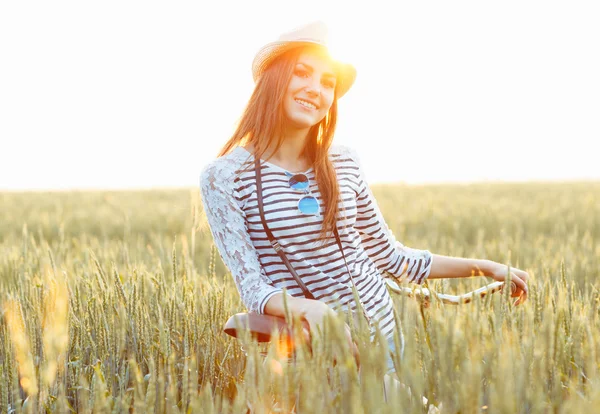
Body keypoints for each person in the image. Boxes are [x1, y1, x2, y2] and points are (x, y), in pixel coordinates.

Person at [199, 20, 529, 380]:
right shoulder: (225, 176)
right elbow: (253, 287)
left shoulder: (344, 161)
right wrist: (312, 310)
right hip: (311, 346)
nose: (316, 89)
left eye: (328, 83)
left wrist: (487, 267)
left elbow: (391, 257)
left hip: (383, 337)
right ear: (274, 79)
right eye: (302, 74)